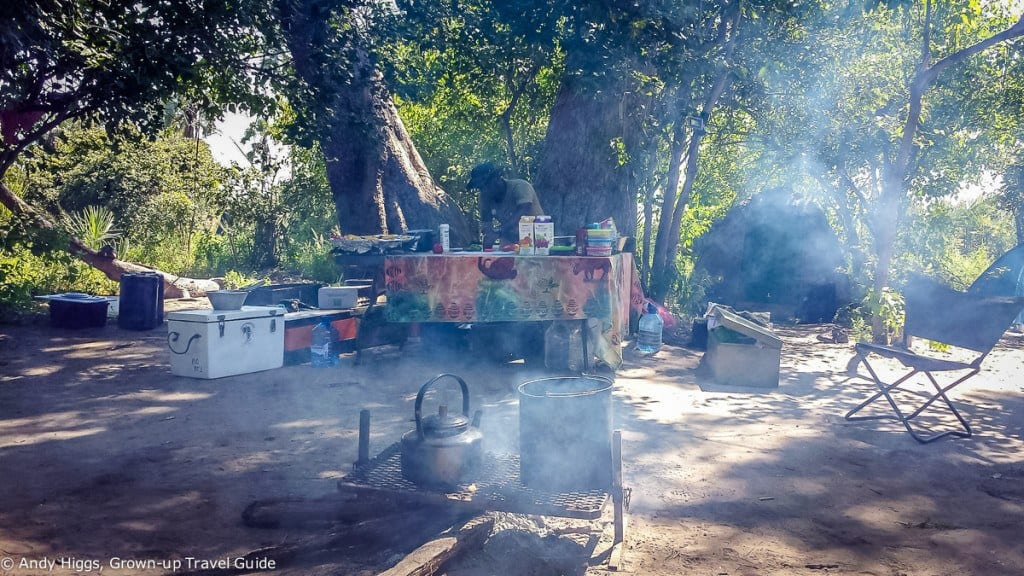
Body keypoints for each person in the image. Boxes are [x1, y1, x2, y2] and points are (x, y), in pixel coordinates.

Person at [467, 162, 543, 246]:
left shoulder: (520, 186)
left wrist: (498, 231)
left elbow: (523, 213)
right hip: (509, 241)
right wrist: (488, 236)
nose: (484, 190)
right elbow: (486, 223)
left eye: (486, 185)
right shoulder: (484, 197)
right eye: (480, 188)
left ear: (497, 179)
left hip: (537, 239)